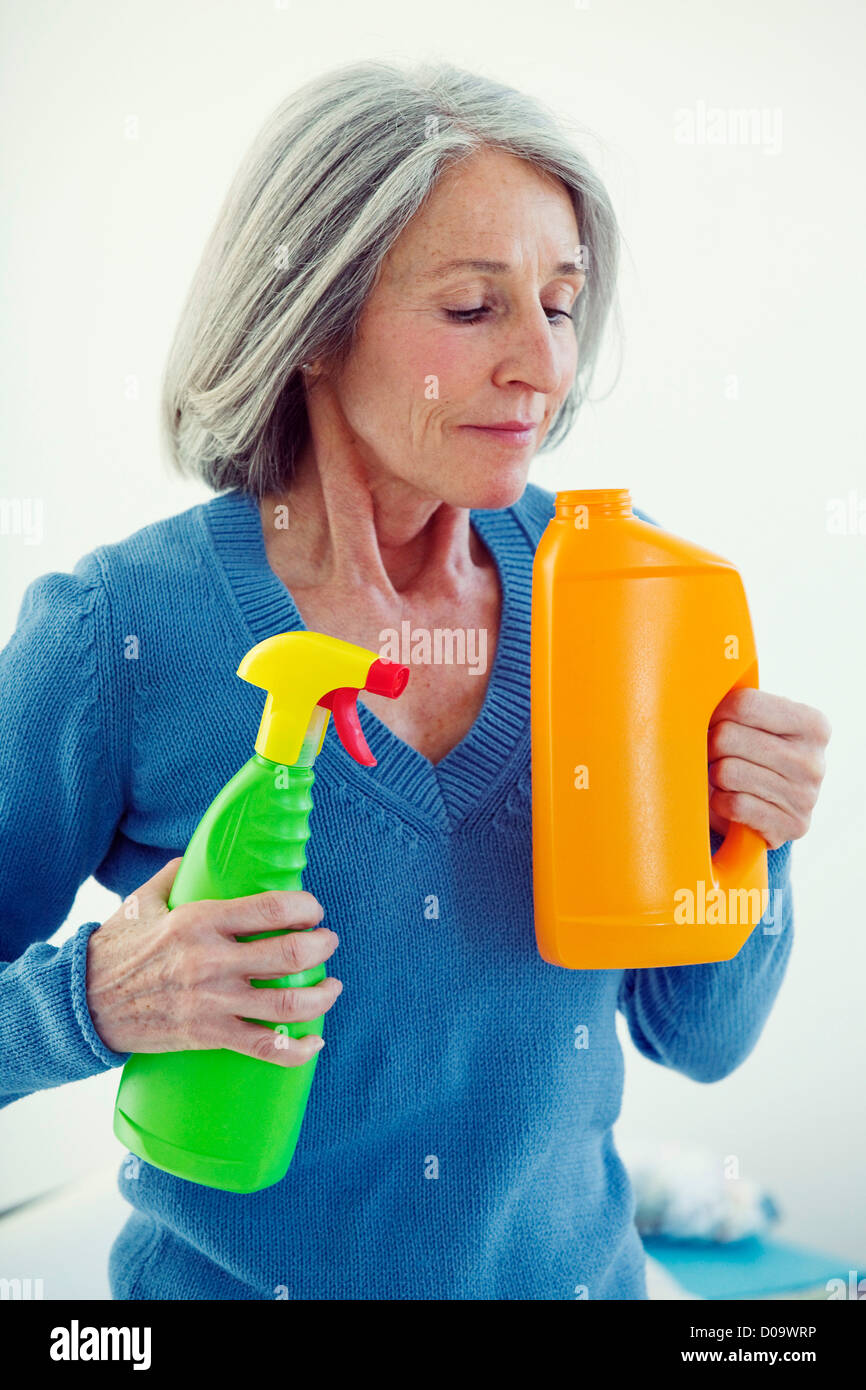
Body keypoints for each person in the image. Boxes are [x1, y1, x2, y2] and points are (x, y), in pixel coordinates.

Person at [0, 60, 829, 1301]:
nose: (540, 367)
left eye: (559, 305)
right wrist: (96, 998)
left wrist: (747, 841)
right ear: (314, 321)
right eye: (470, 308)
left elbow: (697, 1037)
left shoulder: (605, 588)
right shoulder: (117, 631)